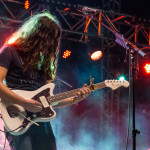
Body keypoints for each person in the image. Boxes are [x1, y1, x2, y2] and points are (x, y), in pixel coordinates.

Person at [0, 11, 91, 150]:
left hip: (41, 121)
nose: (50, 44)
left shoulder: (45, 63)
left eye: (54, 40)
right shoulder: (10, 51)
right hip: (16, 116)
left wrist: (75, 99)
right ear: (36, 35)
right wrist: (24, 102)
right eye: (48, 38)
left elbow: (50, 100)